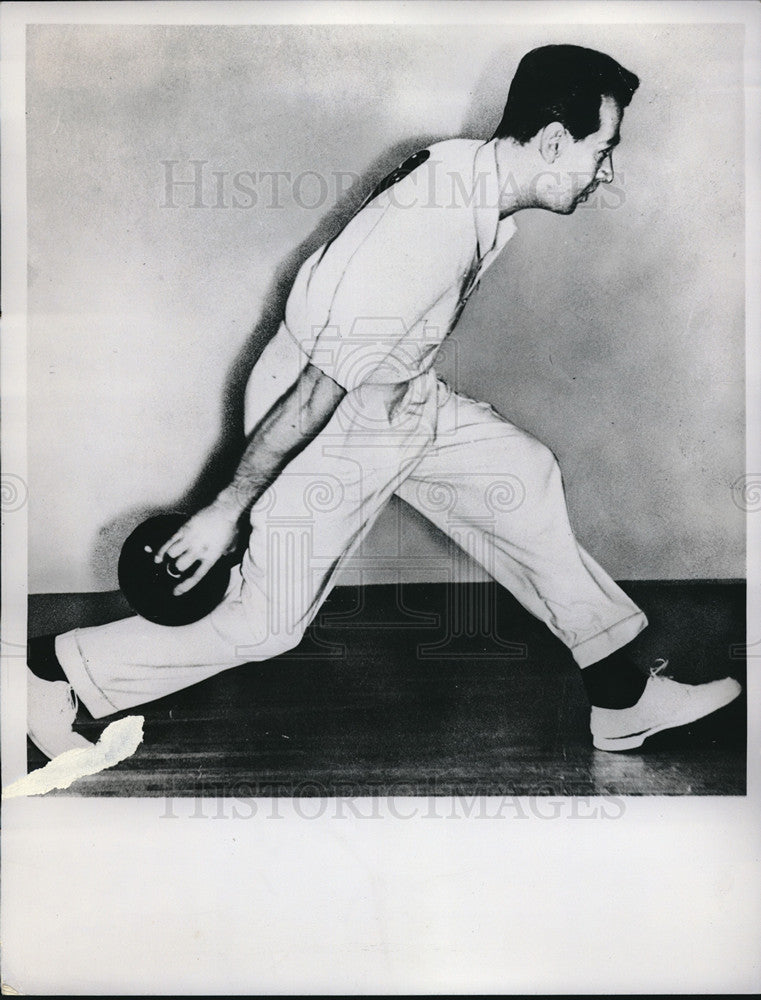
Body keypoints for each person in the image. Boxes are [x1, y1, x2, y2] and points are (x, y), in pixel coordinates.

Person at [28, 44, 741, 760]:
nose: (606, 171)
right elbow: (313, 394)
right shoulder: (423, 231)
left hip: (396, 394)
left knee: (519, 478)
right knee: (263, 624)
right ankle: (48, 674)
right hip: (324, 418)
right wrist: (226, 507)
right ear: (553, 140)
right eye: (602, 148)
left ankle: (619, 699)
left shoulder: (471, 173)